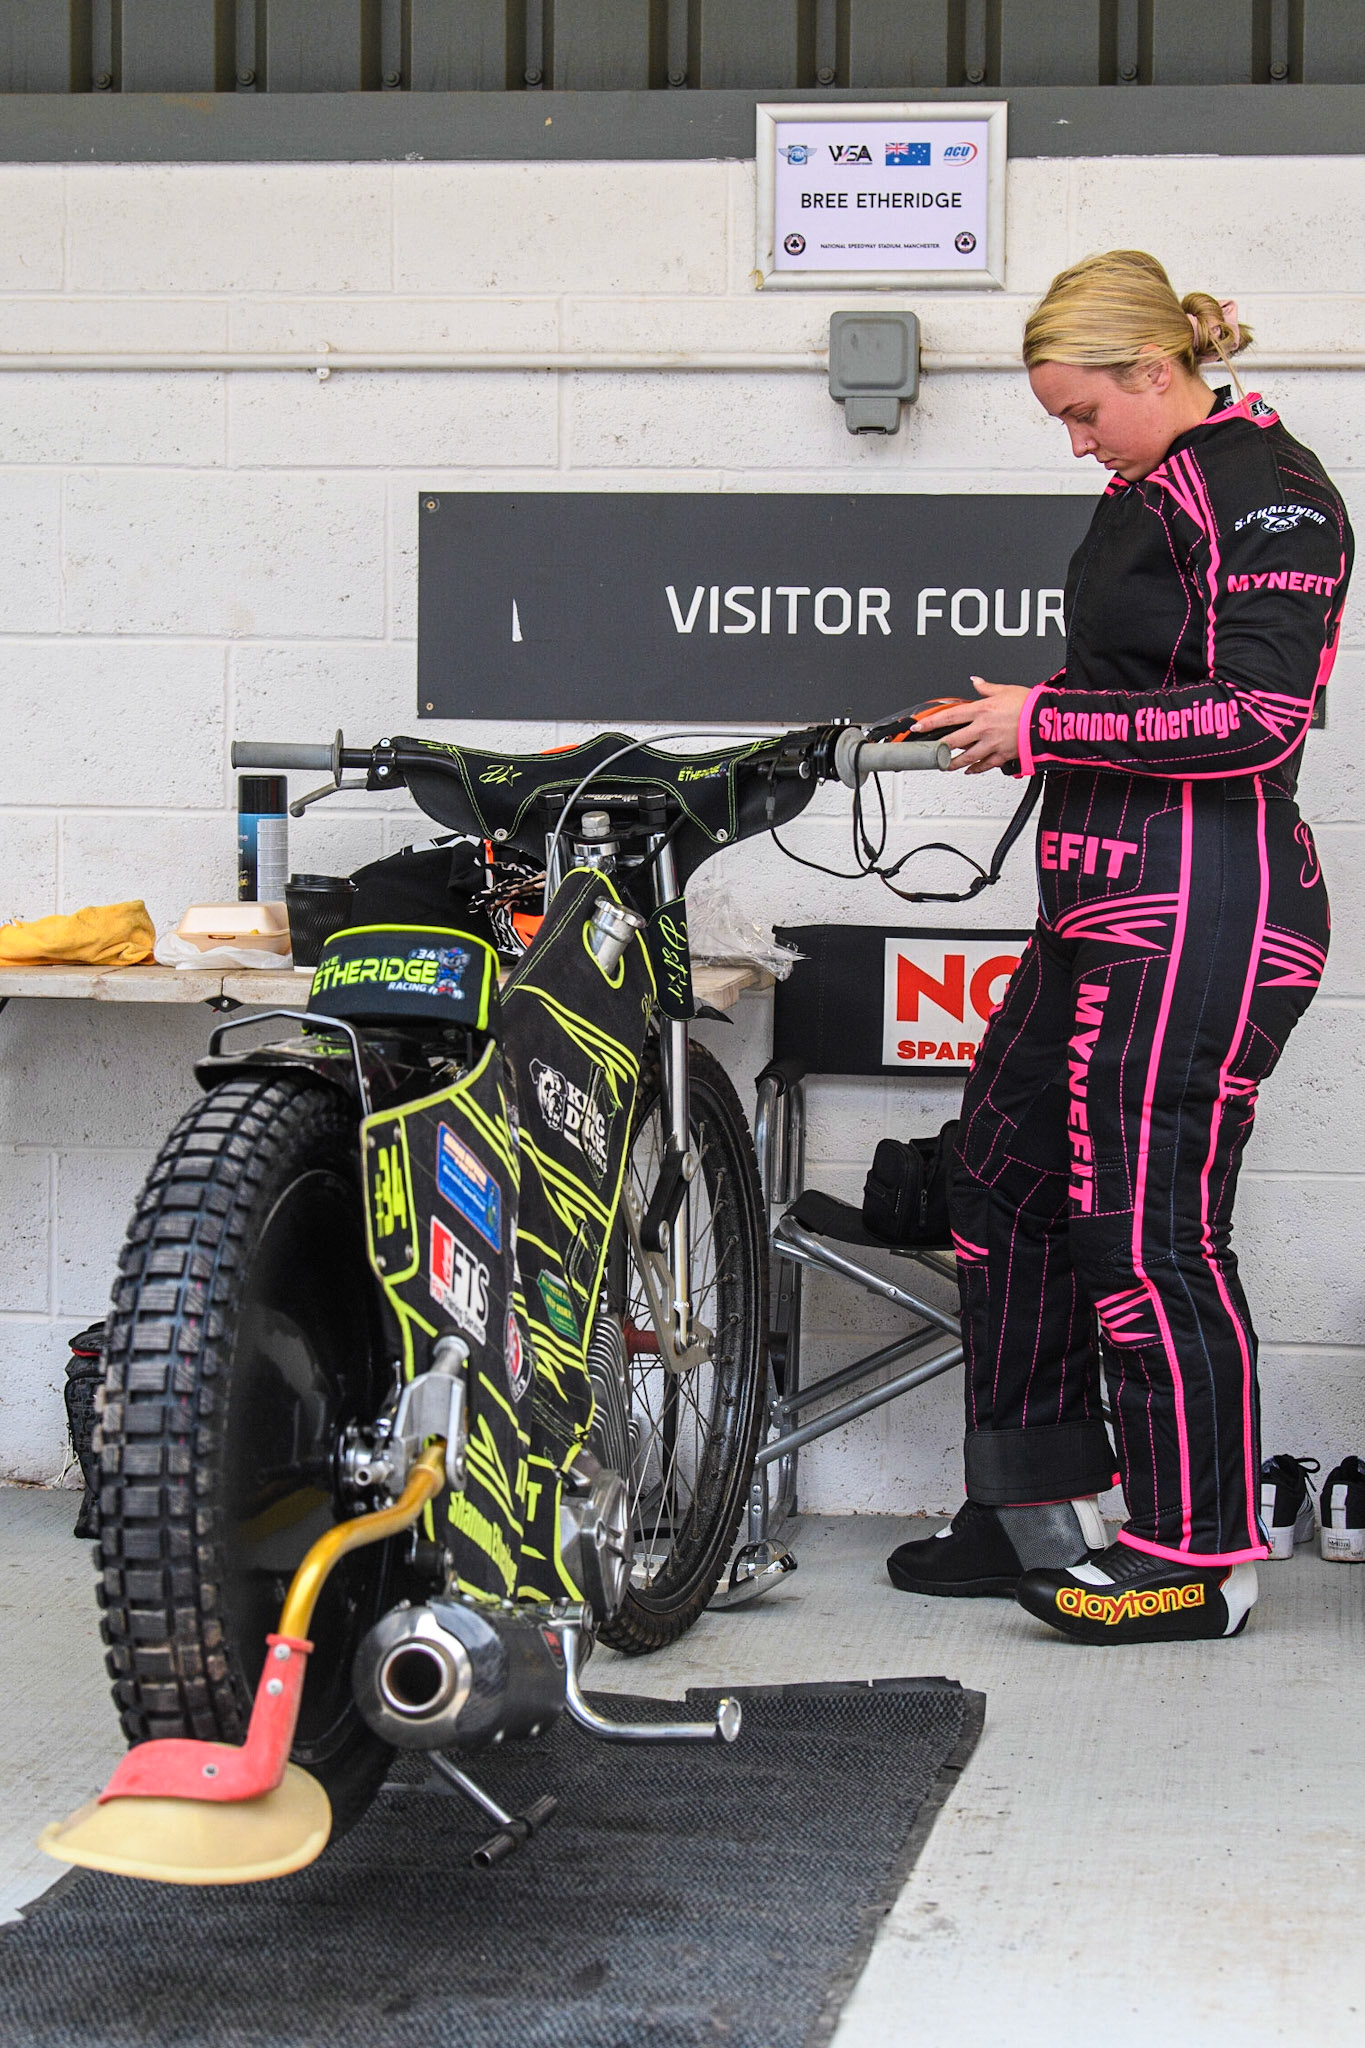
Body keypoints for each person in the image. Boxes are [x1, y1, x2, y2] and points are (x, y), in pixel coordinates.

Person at [886, 250, 1353, 1643]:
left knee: (1150, 1235)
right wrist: (1017, 718)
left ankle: (1196, 1562)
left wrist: (1046, 722)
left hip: (1207, 909)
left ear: (1158, 372)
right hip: (1098, 905)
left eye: (1083, 412)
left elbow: (1259, 721)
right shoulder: (1150, 491)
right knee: (1000, 1178)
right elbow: (1130, 688)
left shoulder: (1267, 489)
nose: (1074, 440)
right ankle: (1030, 1507)